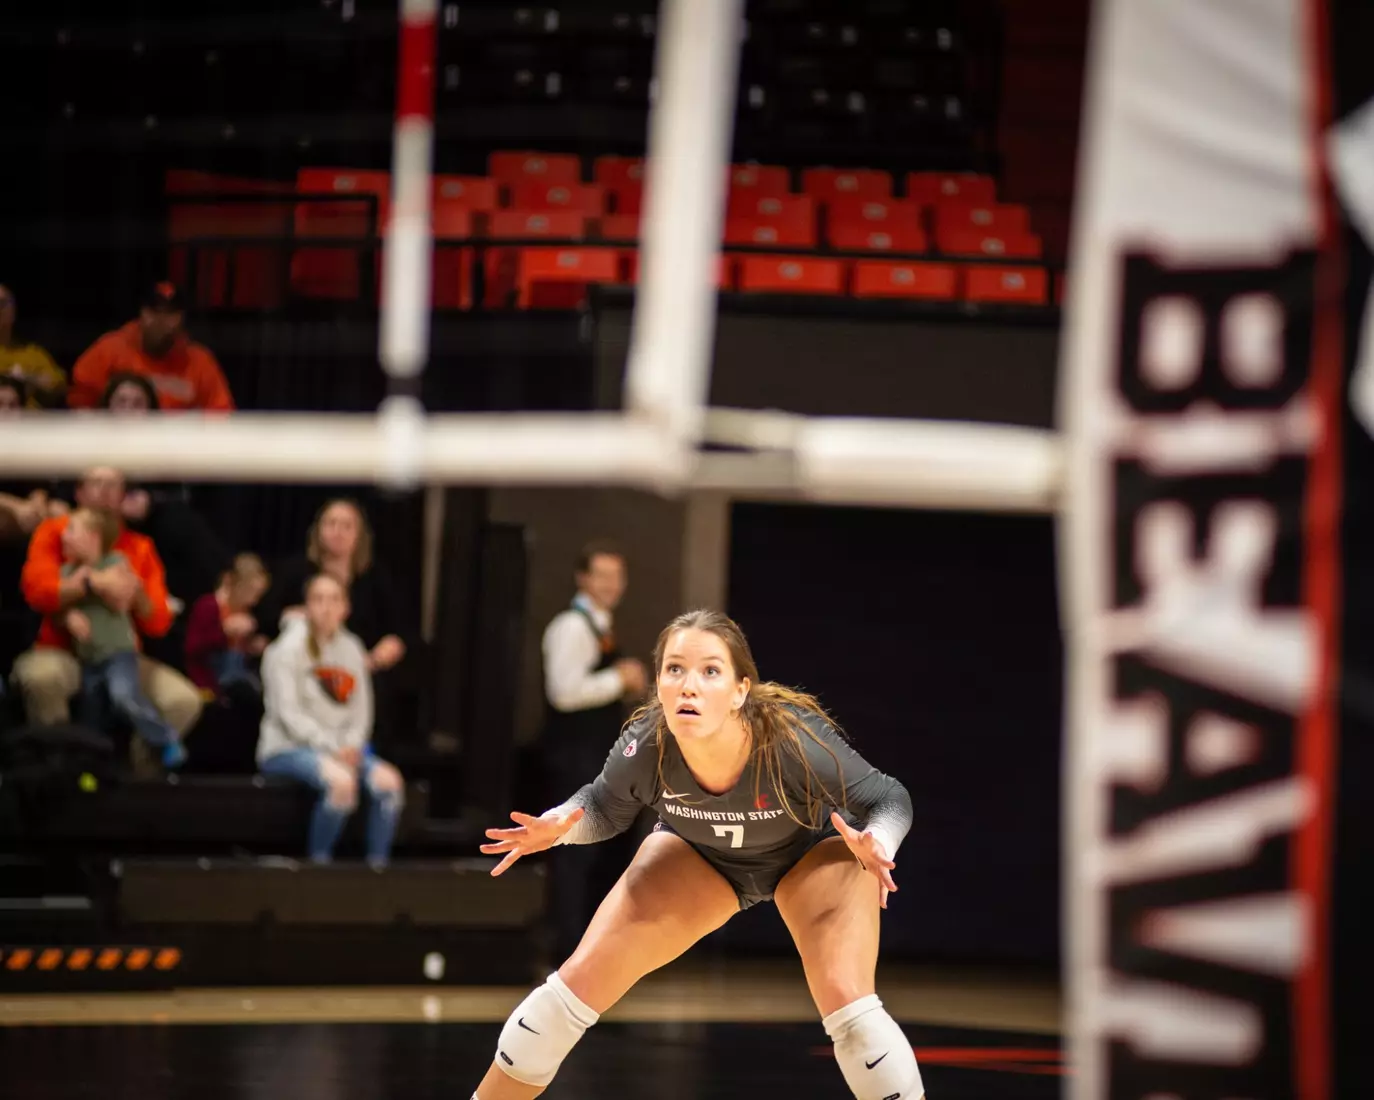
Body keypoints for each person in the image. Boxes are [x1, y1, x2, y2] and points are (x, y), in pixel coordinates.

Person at [474, 609, 923, 1100]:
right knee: (560, 1000)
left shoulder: (792, 740)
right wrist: (561, 824)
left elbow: (888, 797)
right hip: (701, 857)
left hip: (810, 854)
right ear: (659, 684)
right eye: (674, 669)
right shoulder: (648, 744)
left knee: (856, 1022)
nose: (689, 685)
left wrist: (877, 842)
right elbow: (602, 807)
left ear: (740, 691)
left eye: (710, 671)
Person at [13, 467, 202, 756]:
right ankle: (58, 772)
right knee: (43, 678)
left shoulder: (139, 548)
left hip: (118, 653)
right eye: (96, 483)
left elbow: (158, 622)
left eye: (113, 484)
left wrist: (134, 594)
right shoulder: (57, 532)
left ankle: (139, 782)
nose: (104, 491)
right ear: (79, 492)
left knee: (183, 700)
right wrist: (93, 583)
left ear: (123, 495)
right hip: (62, 650)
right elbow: (36, 591)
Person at [539, 540, 647, 957]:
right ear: (583, 578)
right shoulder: (571, 626)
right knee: (573, 851)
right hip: (574, 758)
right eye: (600, 575)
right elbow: (564, 692)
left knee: (596, 850)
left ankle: (589, 946)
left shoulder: (600, 626)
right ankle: (567, 947)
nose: (609, 584)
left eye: (616, 576)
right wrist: (618, 680)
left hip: (594, 758)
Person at [257, 572, 404, 866]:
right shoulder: (286, 650)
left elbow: (362, 712)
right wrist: (331, 748)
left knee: (389, 783)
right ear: (307, 606)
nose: (326, 607)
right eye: (318, 599)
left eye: (334, 599)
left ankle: (378, 870)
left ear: (345, 608)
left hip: (343, 750)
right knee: (341, 784)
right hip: (288, 748)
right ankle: (318, 867)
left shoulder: (352, 648)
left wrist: (351, 746)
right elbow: (288, 715)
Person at [60, 507, 186, 769]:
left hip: (119, 652)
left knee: (123, 696)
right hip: (88, 656)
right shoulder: (66, 572)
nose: (65, 536)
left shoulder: (116, 561)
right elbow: (57, 603)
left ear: (94, 537)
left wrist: (89, 579)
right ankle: (92, 770)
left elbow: (120, 597)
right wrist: (69, 613)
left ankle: (165, 738)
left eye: (72, 530)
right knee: (91, 717)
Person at [67, 282, 236, 411]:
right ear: (141, 313)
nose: (161, 320)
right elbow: (79, 401)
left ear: (182, 319)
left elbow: (221, 415)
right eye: (154, 311)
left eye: (170, 313)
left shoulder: (199, 361)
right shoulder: (110, 349)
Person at [184, 553, 271, 695]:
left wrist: (251, 647)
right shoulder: (209, 606)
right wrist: (224, 632)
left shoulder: (245, 611)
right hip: (209, 679)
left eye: (258, 595)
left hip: (237, 675)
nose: (254, 601)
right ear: (231, 582)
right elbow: (193, 649)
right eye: (249, 592)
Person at [0, 285, 67, 408]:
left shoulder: (32, 354)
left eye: (2, 303)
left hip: (28, 424)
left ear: (13, 311)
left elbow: (58, 387)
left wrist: (27, 377)